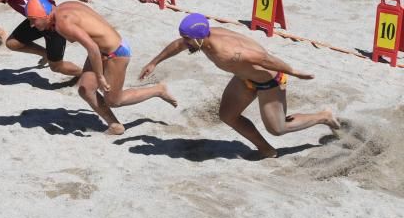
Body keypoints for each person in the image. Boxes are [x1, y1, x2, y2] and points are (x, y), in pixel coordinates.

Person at [140, 14, 339, 158]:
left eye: (187, 40)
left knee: (278, 129)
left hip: (269, 82)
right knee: (227, 115)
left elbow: (263, 58)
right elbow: (177, 45)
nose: (184, 43)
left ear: (199, 38)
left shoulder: (228, 52)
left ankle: (323, 116)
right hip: (244, 79)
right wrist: (154, 62)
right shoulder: (201, 37)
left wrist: (293, 71)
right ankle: (266, 150)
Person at [28, 0, 177, 134]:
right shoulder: (65, 6)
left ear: (45, 15)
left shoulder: (63, 23)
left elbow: (91, 47)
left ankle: (158, 90)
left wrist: (100, 76)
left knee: (114, 100)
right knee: (85, 90)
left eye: (34, 20)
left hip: (116, 53)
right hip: (102, 50)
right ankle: (115, 125)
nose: (32, 25)